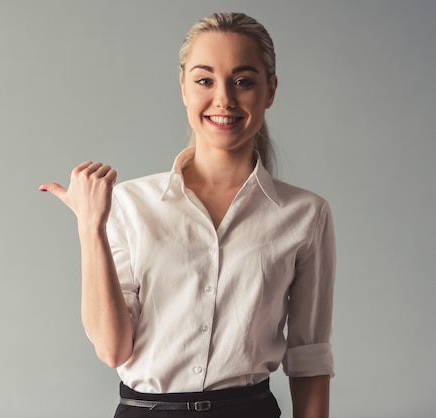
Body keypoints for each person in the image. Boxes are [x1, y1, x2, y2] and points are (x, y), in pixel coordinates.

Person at [39, 12, 335, 418]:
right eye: (204, 80)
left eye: (243, 81)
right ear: (183, 88)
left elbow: (309, 355)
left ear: (270, 91)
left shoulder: (306, 215)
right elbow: (112, 349)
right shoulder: (128, 204)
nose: (224, 99)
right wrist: (90, 226)